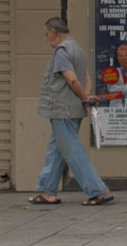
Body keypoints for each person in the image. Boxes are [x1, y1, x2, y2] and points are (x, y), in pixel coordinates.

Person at [29, 17, 112, 206]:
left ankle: (98, 191)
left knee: (73, 151)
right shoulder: (77, 48)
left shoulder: (62, 51)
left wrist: (83, 97)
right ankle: (47, 191)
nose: (46, 38)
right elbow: (86, 77)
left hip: (62, 109)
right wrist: (86, 96)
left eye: (46, 34)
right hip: (72, 109)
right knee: (56, 148)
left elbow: (72, 79)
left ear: (54, 32)